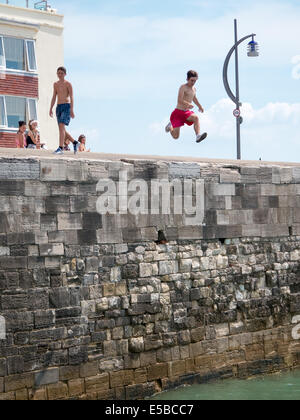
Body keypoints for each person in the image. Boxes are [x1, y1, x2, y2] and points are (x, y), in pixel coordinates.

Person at [165, 70, 207, 143]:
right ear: (187, 79)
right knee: (176, 137)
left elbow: (194, 98)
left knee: (196, 118)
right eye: (192, 80)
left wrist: (200, 106)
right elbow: (179, 100)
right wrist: (188, 104)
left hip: (186, 113)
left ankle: (198, 136)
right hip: (178, 113)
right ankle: (169, 127)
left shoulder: (194, 89)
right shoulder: (183, 87)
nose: (193, 82)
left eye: (195, 81)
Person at [49, 66, 79, 155]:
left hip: (66, 106)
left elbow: (72, 97)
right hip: (58, 107)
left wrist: (72, 110)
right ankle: (75, 142)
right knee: (62, 129)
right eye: (58, 73)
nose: (60, 74)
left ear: (65, 74)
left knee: (61, 126)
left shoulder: (68, 84)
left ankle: (60, 148)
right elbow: (54, 96)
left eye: (62, 73)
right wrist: (50, 108)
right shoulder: (55, 84)